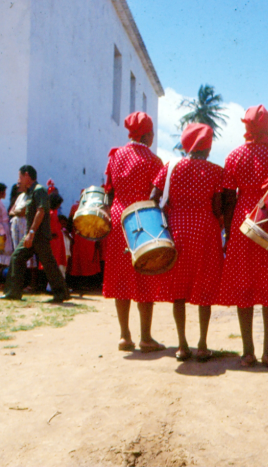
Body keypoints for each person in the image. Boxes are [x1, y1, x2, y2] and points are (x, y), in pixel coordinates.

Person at [219, 105, 268, 368]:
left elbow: (228, 197)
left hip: (243, 222)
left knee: (244, 285)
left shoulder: (234, 155)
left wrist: (228, 230)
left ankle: (247, 351)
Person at [150, 123, 224, 361]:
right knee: (204, 288)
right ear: (208, 146)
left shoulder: (170, 167)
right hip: (205, 232)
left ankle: (182, 345)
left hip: (177, 230)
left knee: (178, 290)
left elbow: (154, 197)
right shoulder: (215, 171)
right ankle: (202, 344)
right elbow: (217, 206)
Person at [102, 111, 165, 353]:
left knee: (120, 274)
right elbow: (154, 194)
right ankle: (146, 337)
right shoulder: (152, 160)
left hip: (119, 217)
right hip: (142, 218)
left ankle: (124, 336)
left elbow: (108, 189)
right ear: (148, 134)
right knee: (144, 273)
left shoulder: (115, 156)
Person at [0, 165, 69, 303]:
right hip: (33, 235)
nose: (19, 180)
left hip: (38, 235)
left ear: (27, 175)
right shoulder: (30, 192)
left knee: (47, 264)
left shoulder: (39, 190)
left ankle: (61, 293)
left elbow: (41, 211)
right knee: (17, 258)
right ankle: (13, 292)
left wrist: (31, 232)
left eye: (20, 176)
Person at [67, 196, 101, 293]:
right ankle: (86, 284)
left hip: (84, 238)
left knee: (81, 260)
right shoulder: (92, 208)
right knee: (85, 260)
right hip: (85, 238)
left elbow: (70, 223)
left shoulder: (76, 207)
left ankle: (81, 284)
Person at [8, 183, 39, 292]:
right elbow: (11, 211)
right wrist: (17, 212)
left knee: (29, 254)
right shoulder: (20, 197)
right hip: (16, 225)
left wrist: (17, 212)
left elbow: (22, 211)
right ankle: (20, 282)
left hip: (25, 225)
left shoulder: (31, 196)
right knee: (17, 253)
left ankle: (32, 284)